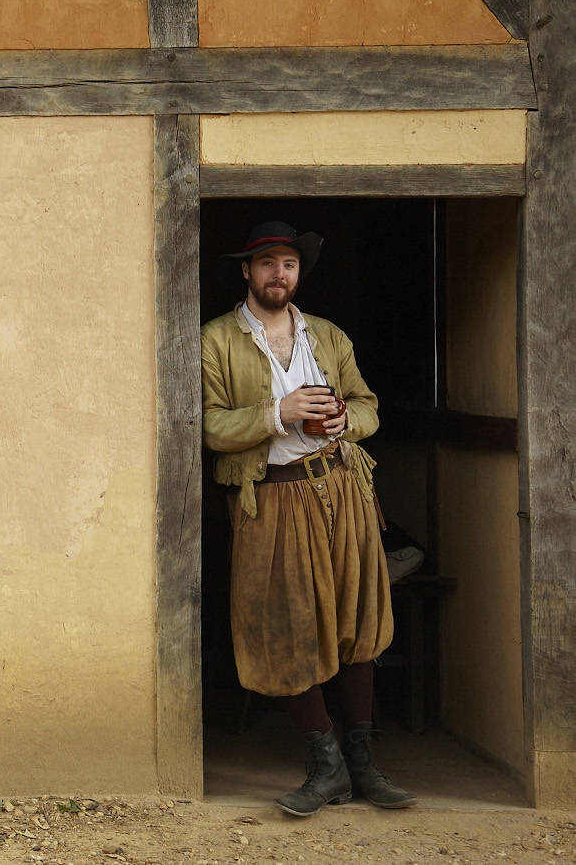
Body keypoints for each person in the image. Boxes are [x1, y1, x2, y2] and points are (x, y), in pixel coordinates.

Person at [201, 221, 416, 816]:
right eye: (267, 262)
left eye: (289, 264)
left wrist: (348, 421)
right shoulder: (214, 340)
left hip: (343, 489)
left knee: (356, 620)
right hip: (271, 496)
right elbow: (210, 427)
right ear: (247, 271)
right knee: (288, 624)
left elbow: (368, 404)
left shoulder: (327, 335)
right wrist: (278, 412)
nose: (279, 274)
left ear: (299, 273)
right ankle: (327, 768)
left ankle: (364, 764)